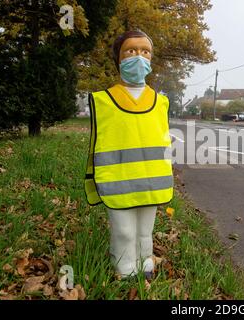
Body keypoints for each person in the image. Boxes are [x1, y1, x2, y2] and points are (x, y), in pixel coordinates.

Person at [84, 30, 173, 279]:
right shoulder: (102, 101)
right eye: (130, 51)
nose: (138, 56)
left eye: (145, 51)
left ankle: (145, 261)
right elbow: (95, 144)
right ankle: (124, 266)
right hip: (117, 180)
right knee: (124, 232)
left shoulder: (161, 102)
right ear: (118, 59)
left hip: (151, 180)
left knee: (146, 230)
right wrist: (91, 179)